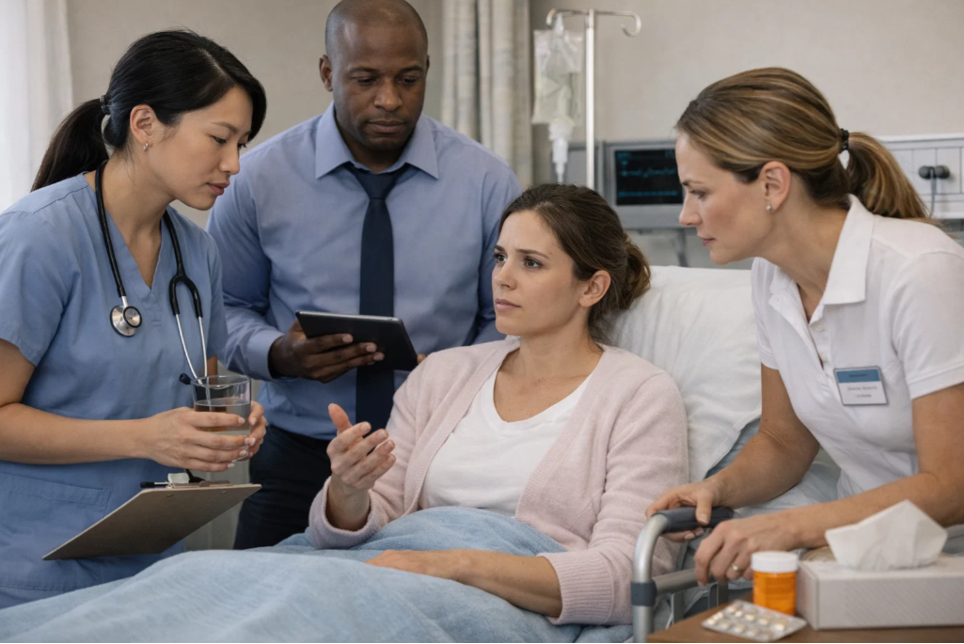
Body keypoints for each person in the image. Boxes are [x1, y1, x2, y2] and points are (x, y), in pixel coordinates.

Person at [207, 0, 523, 550]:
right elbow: (224, 309)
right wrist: (279, 354)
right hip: (298, 458)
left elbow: (506, 318)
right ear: (328, 73)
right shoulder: (257, 181)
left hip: (438, 457)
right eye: (366, 79)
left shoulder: (487, 184)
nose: (390, 100)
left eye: (409, 78)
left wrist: (455, 375)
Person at [310, 183, 688, 624]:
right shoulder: (441, 375)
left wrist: (454, 565)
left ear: (591, 288)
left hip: (512, 610)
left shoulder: (640, 395)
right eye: (500, 257)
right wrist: (349, 491)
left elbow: (627, 578)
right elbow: (368, 526)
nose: (503, 277)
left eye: (531, 263)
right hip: (395, 577)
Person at [649, 67, 964, 585]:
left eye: (699, 192)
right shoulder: (772, 280)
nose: (686, 215)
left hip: (949, 557)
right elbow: (782, 441)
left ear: (772, 183)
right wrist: (718, 489)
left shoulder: (920, 273)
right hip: (861, 554)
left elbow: (950, 486)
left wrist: (792, 528)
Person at [0, 30, 269, 609]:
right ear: (144, 125)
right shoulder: (40, 237)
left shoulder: (198, 255)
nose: (235, 164)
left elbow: (204, 387)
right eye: (220, 139)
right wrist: (146, 437)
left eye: (243, 143)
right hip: (35, 568)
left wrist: (231, 426)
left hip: (151, 565)